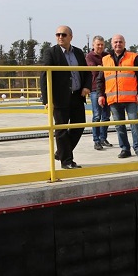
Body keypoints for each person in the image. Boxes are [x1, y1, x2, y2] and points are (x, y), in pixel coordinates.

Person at [40, 25, 91, 169]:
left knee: (79, 125)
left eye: (63, 35)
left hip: (77, 96)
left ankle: (62, 152)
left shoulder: (79, 53)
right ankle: (67, 160)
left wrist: (87, 86)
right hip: (60, 97)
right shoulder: (51, 53)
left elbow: (87, 72)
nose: (60, 37)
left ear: (71, 37)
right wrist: (47, 99)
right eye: (57, 35)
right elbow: (44, 76)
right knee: (61, 130)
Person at [101, 34, 138, 159]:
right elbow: (101, 79)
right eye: (115, 42)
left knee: (134, 125)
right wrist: (101, 95)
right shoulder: (105, 60)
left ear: (124, 43)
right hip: (113, 99)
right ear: (111, 44)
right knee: (119, 126)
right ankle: (125, 149)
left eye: (120, 42)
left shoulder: (133, 57)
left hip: (130, 98)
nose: (118, 44)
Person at [85, 35, 112, 151]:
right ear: (93, 45)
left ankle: (103, 138)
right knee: (97, 115)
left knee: (106, 116)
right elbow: (94, 68)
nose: (100, 47)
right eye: (98, 44)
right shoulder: (90, 56)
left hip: (108, 88)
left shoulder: (107, 56)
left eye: (102, 44)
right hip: (95, 89)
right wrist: (101, 67)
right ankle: (96, 140)